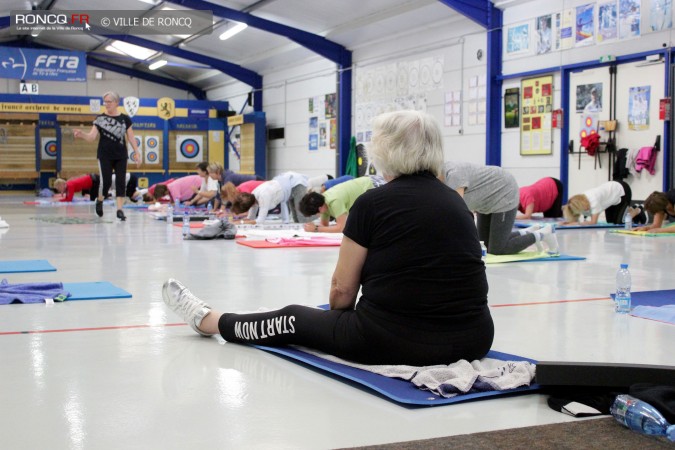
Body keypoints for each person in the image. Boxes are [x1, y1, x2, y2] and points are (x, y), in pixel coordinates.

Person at [162, 110, 494, 366]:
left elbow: (342, 291)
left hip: (392, 341)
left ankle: (210, 321)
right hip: (474, 339)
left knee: (292, 317)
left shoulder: (372, 203)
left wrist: (336, 319)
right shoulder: (458, 203)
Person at [443, 161, 559, 255]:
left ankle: (543, 234)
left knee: (497, 249)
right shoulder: (440, 179)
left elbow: (457, 212)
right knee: (485, 245)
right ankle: (527, 232)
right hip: (486, 203)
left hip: (504, 194)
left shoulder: (453, 176)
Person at [73, 91, 141, 221]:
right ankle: (99, 200)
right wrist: (82, 134)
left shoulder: (125, 119)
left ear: (116, 102)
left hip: (121, 155)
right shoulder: (100, 119)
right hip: (105, 155)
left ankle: (119, 210)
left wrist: (137, 152)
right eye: (105, 102)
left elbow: (131, 137)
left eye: (109, 101)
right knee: (106, 182)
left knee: (121, 181)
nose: (106, 104)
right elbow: (92, 137)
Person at [298, 176, 377, 233]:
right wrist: (314, 227)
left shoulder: (334, 201)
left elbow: (342, 228)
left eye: (316, 213)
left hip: (374, 185)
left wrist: (316, 229)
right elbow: (324, 225)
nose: (318, 215)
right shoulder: (323, 202)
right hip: (367, 183)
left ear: (319, 209)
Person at [231, 172, 309, 224]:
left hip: (296, 183)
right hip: (287, 186)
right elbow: (251, 217)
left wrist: (241, 222)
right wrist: (238, 221)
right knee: (296, 220)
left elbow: (260, 221)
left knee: (302, 218)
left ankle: (319, 213)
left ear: (248, 207)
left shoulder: (263, 197)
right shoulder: (252, 197)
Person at [562, 181, 631, 225]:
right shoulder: (581, 199)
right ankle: (628, 210)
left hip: (622, 191)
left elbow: (593, 222)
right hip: (610, 197)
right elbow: (575, 219)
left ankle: (636, 211)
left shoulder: (594, 200)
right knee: (611, 223)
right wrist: (568, 223)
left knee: (620, 223)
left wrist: (575, 224)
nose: (585, 211)